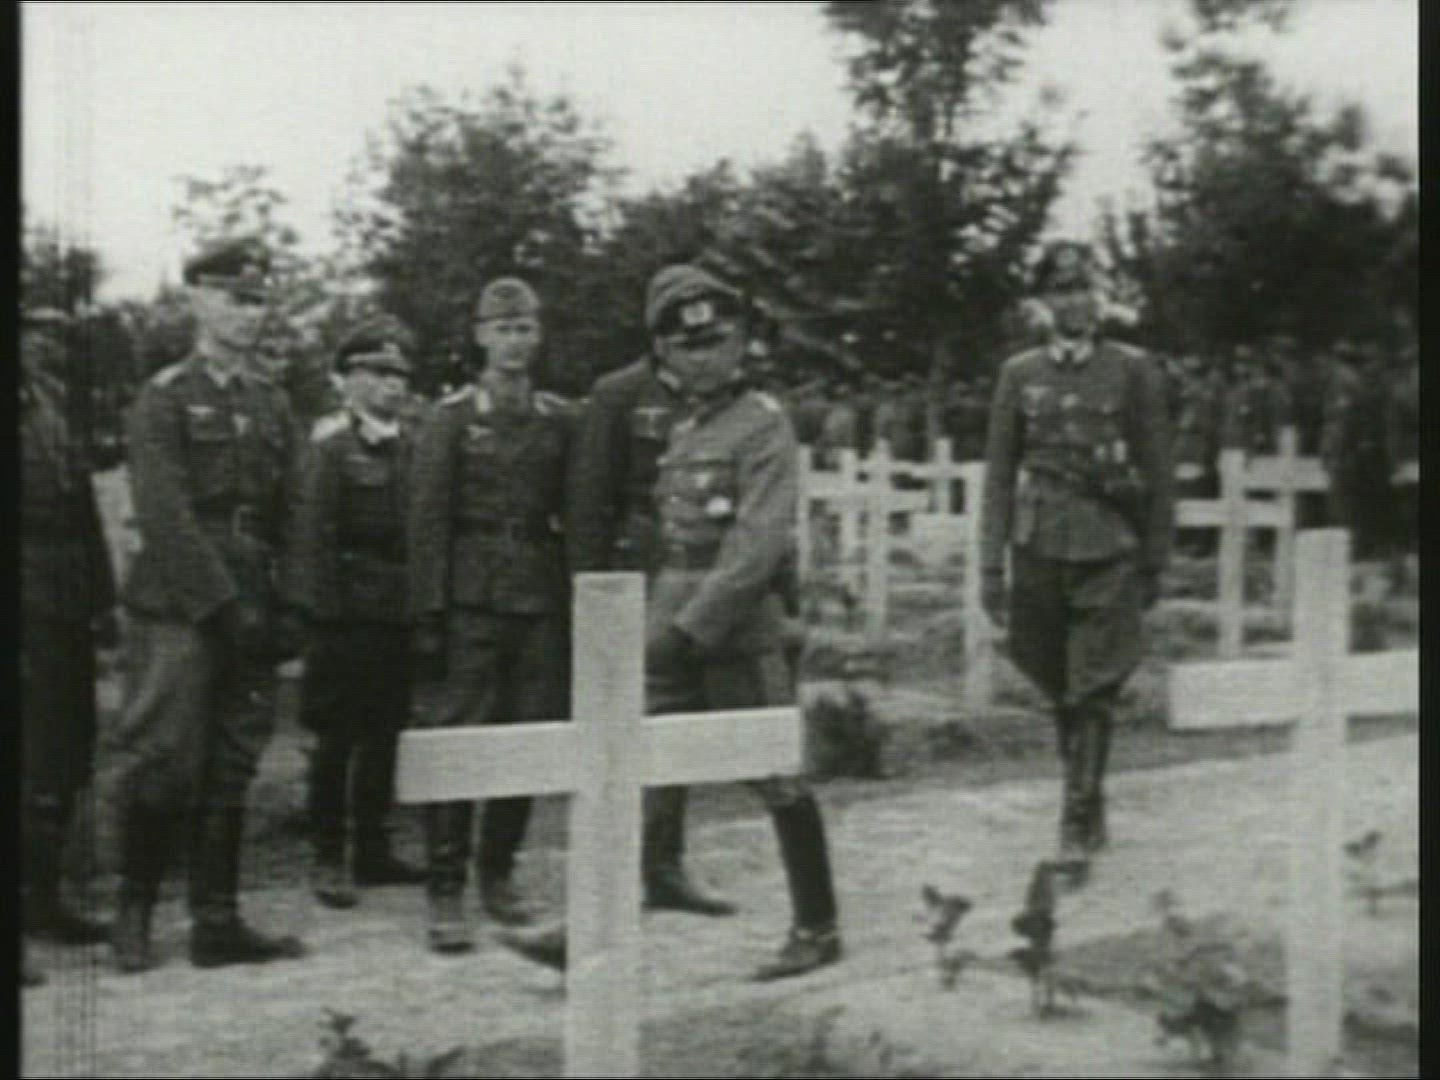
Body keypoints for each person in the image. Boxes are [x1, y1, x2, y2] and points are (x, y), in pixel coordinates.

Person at [500, 264, 844, 981]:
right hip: (667, 616)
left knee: (773, 773)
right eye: (687, 347)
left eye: (717, 341)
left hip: (735, 628)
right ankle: (589, 924)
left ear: (741, 342)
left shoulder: (763, 425)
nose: (704, 358)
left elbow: (757, 545)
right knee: (628, 766)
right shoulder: (687, 427)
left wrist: (690, 629)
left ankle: (817, 924)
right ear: (662, 353)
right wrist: (662, 625)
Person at [106, 237, 306, 972]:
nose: (248, 314)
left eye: (257, 301)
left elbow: (295, 510)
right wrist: (219, 605)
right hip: (180, 606)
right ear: (197, 300)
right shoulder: (163, 398)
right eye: (232, 298)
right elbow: (164, 513)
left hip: (254, 595)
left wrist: (292, 602)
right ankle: (134, 908)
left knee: (233, 759)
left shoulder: (272, 402)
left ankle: (216, 920)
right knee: (164, 758)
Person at [980, 240, 1174, 872]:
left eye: (1085, 288)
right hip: (1038, 542)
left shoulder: (1133, 370)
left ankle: (1077, 814)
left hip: (1108, 542)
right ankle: (1089, 798)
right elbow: (999, 474)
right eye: (1062, 290)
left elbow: (1157, 467)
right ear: (1043, 302)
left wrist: (1154, 557)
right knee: (1055, 679)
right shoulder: (1020, 374)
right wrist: (990, 564)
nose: (1075, 302)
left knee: (1094, 686)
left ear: (1101, 297)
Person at [408, 277, 577, 953]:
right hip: (470, 598)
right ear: (480, 336)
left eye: (525, 328)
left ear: (539, 335)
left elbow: (574, 509)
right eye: (502, 329)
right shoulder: (451, 418)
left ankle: (498, 873)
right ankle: (445, 886)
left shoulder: (558, 417)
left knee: (526, 735)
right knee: (460, 737)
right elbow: (427, 520)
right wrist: (428, 611)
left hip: (537, 595)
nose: (514, 342)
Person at [566, 288, 739, 919]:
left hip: (695, 574)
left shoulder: (722, 393)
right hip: (631, 576)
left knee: (673, 717)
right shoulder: (618, 394)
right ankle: (607, 870)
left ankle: (664, 864)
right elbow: (589, 496)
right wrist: (589, 587)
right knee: (618, 721)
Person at [287, 324, 427, 910]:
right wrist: (319, 614)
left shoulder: (413, 446)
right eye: (377, 373)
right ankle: (328, 854)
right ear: (347, 381)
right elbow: (310, 536)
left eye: (399, 375)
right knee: (336, 737)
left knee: (385, 732)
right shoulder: (331, 447)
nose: (392, 385)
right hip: (344, 615)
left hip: (397, 610)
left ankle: (373, 848)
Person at [21, 307, 118, 977]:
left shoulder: (54, 403)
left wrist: (104, 599)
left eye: (52, 334)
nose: (45, 343)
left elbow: (83, 508)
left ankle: (42, 900)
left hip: (64, 598)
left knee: (63, 751)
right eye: (32, 332)